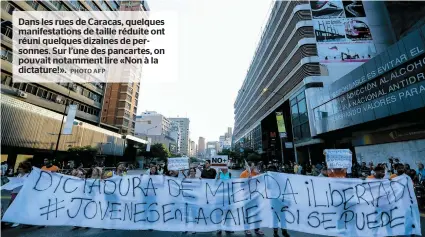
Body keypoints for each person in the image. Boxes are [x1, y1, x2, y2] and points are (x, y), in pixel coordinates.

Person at [239, 162, 264, 236]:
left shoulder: (256, 173)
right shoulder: (243, 174)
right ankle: (247, 229)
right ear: (249, 166)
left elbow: (261, 182)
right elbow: (241, 185)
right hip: (246, 197)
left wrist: (259, 174)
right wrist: (248, 179)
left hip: (255, 196)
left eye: (254, 165)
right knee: (247, 213)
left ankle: (257, 229)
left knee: (257, 213)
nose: (254, 167)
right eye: (253, 165)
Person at [9, 161, 32, 228]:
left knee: (20, 207)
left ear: (25, 169)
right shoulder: (19, 175)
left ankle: (18, 221)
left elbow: (29, 185)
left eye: (21, 168)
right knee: (11, 206)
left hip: (22, 193)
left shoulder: (28, 176)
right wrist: (12, 190)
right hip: (15, 192)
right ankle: (12, 219)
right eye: (19, 168)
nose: (19, 169)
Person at [216, 166, 234, 235]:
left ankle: (227, 228)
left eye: (225, 167)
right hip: (219, 197)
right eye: (222, 167)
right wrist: (217, 177)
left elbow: (233, 184)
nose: (223, 168)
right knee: (218, 213)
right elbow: (214, 184)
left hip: (227, 197)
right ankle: (218, 228)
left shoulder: (229, 174)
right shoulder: (218, 174)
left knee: (228, 213)